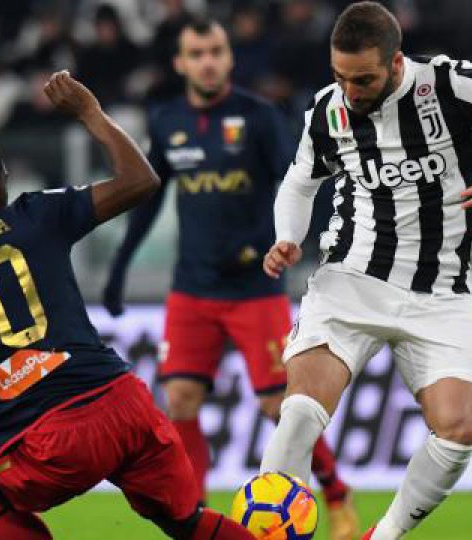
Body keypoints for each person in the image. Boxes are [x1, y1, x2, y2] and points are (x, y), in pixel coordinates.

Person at [258, 2, 472, 539]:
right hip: (352, 280)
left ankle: (383, 536)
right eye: (340, 77)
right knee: (300, 410)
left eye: (363, 78)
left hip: (443, 294)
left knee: (460, 428)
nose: (350, 91)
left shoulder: (453, 85)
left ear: (395, 64)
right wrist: (287, 237)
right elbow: (301, 181)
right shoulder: (328, 108)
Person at [0, 71, 253, 540]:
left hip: (43, 440)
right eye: (2, 175)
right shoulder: (34, 216)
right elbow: (140, 180)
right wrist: (90, 111)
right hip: (123, 405)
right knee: (186, 522)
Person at [101, 16, 359, 537]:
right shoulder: (168, 119)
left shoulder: (259, 118)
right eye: (196, 53)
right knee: (180, 401)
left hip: (252, 288)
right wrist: (119, 268)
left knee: (277, 404)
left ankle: (336, 493)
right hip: (191, 287)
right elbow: (148, 201)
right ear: (180, 63)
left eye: (215, 50)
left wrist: (276, 240)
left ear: (229, 57)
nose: (208, 61)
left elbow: (298, 184)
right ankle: (193, 516)